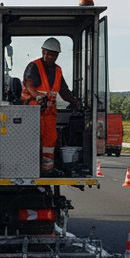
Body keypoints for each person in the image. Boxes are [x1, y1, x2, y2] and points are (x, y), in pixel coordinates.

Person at [21, 37, 80, 174]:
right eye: (46, 53)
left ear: (57, 55)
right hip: (32, 110)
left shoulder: (58, 71)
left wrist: (75, 102)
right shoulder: (34, 66)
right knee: (32, 139)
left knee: (50, 139)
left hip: (49, 112)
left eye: (51, 54)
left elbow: (63, 91)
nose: (48, 56)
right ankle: (30, 167)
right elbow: (29, 85)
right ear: (42, 51)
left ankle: (47, 169)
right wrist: (38, 96)